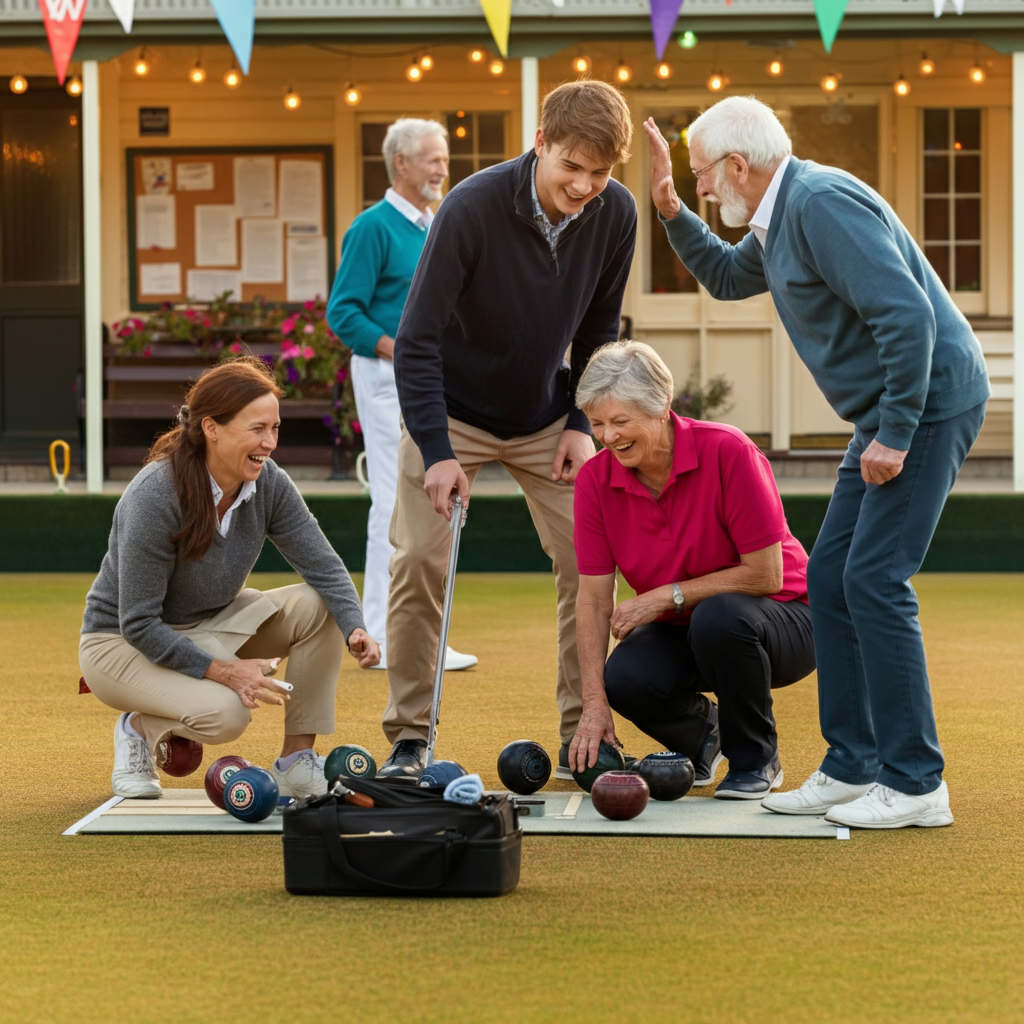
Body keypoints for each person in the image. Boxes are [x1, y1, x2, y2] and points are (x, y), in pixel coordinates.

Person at [645, 96, 990, 828]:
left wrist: (894, 433)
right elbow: (731, 279)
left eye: (703, 175)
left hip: (925, 404)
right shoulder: (777, 219)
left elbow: (906, 314)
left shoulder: (821, 203)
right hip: (885, 414)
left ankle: (917, 782)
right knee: (831, 574)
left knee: (873, 577)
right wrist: (675, 212)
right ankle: (851, 766)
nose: (705, 186)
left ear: (738, 165)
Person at [377, 80, 637, 780]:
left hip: (547, 420)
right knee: (420, 565)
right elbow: (418, 338)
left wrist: (582, 422)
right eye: (571, 168)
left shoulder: (616, 214)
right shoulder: (470, 208)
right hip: (451, 415)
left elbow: (598, 330)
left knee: (589, 565)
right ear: (540, 145)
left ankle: (587, 731)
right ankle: (408, 739)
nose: (584, 186)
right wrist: (435, 451)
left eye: (600, 173)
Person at [79, 357, 380, 801]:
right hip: (120, 644)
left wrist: (355, 625)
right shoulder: (155, 494)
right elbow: (139, 624)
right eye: (257, 428)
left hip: (211, 622)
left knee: (321, 606)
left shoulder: (268, 482)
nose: (270, 442)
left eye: (275, 428)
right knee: (227, 715)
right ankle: (137, 727)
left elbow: (323, 564)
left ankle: (296, 763)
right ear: (211, 428)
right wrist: (224, 672)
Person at [568, 341, 815, 797]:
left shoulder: (729, 451)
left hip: (786, 618)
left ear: (661, 406)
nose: (607, 436)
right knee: (624, 676)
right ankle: (705, 740)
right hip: (690, 626)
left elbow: (767, 575)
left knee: (719, 617)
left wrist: (665, 596)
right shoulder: (595, 481)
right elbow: (594, 598)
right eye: (597, 423)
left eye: (620, 421)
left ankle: (756, 759)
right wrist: (594, 703)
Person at [326, 118, 476, 672]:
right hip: (388, 379)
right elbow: (343, 312)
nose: (443, 168)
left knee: (433, 500)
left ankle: (425, 637)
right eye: (433, 159)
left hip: (434, 377)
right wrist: (401, 350)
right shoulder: (373, 228)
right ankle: (383, 637)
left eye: (444, 158)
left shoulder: (435, 225)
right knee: (395, 501)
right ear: (402, 165)